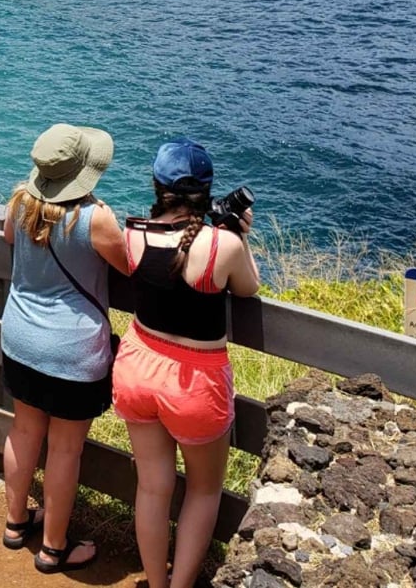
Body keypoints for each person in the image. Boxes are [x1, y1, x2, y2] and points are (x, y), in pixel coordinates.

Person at [112, 139, 259, 588]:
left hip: (137, 366)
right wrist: (239, 234)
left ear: (157, 186)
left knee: (153, 488)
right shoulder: (222, 245)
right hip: (195, 383)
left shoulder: (133, 233)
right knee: (204, 489)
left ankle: (156, 583)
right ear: (207, 191)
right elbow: (249, 288)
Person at [0, 125, 129, 573]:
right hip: (72, 351)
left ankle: (16, 524)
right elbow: (129, 265)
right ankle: (54, 548)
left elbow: (10, 241)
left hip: (20, 337)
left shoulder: (20, 203)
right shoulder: (94, 219)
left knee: (24, 432)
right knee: (65, 451)